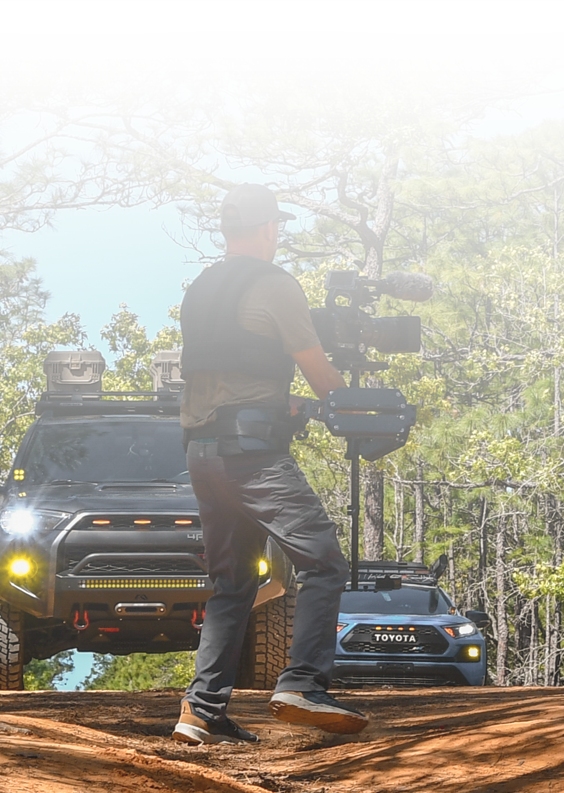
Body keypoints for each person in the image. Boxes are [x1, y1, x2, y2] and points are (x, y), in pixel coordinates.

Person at [171, 183, 367, 745]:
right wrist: (348, 402)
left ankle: (201, 710)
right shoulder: (276, 287)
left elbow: (235, 368)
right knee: (323, 563)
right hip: (251, 456)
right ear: (267, 229)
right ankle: (303, 682)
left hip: (203, 454)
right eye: (277, 227)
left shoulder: (200, 290)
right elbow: (318, 373)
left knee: (231, 583)